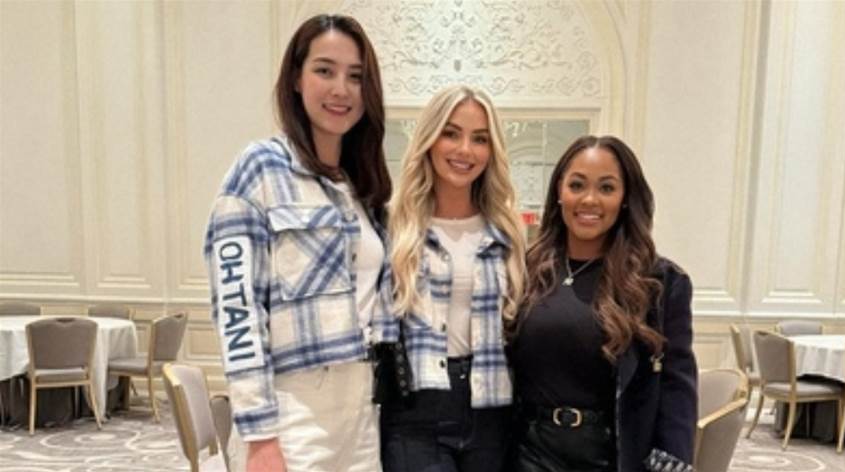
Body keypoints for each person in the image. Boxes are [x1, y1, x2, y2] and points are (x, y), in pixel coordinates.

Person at [203, 14, 396, 472]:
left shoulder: (360, 185)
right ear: (296, 77)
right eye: (324, 70)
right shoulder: (260, 169)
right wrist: (260, 436)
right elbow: (238, 310)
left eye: (356, 77)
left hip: (363, 407)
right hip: (294, 410)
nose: (341, 90)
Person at [507, 135, 698, 472]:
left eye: (607, 188)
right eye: (577, 185)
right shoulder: (524, 270)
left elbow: (676, 380)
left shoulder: (657, 282)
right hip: (529, 453)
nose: (589, 199)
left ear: (625, 199)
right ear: (559, 192)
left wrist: (673, 454)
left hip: (614, 454)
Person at [381, 85, 527, 472]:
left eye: (480, 139)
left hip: (491, 405)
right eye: (451, 133)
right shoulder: (395, 226)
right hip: (416, 408)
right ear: (429, 139)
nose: (465, 150)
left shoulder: (507, 231)